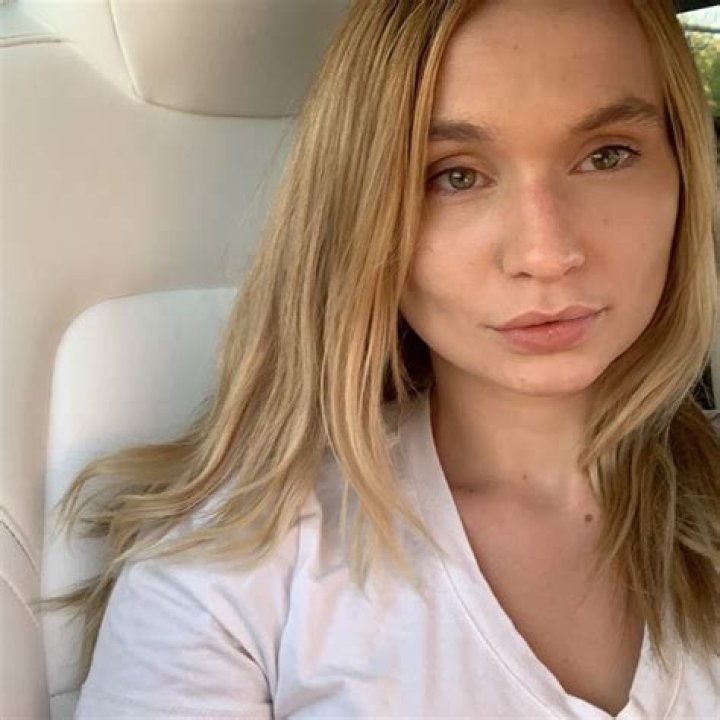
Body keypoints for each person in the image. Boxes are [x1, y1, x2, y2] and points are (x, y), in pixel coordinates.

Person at [44, 0, 719, 717]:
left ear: (686, 177)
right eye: (455, 176)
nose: (546, 253)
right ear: (363, 214)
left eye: (607, 155)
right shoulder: (233, 570)